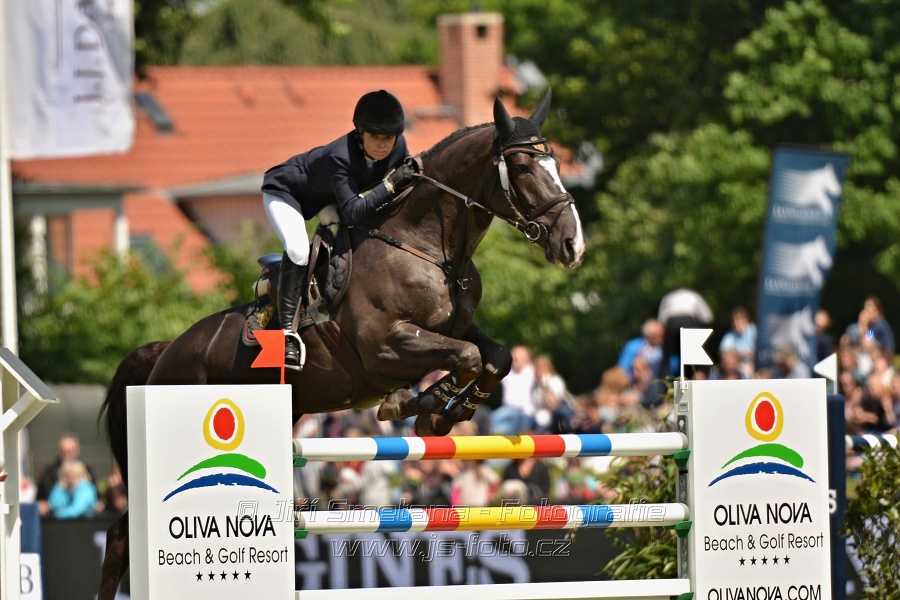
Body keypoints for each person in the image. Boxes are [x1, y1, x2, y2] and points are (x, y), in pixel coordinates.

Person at [262, 90, 417, 368]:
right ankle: (287, 333)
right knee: (298, 251)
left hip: (328, 200)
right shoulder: (339, 156)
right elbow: (355, 212)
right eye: (376, 138)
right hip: (287, 194)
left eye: (389, 139)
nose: (384, 146)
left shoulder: (398, 146)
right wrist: (390, 185)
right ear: (360, 132)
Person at [657, 288, 713, 378]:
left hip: (671, 325)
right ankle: (703, 376)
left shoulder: (667, 297)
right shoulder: (694, 295)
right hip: (688, 322)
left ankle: (664, 384)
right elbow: (707, 317)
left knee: (667, 357)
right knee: (698, 354)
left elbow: (661, 319)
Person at [36, 434, 96, 510]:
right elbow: (40, 497)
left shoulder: (87, 469)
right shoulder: (49, 472)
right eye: (64, 452)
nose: (67, 455)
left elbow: (94, 493)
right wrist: (41, 503)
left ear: (77, 452)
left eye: (70, 451)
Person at [492, 345, 537, 435]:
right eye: (514, 358)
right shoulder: (508, 373)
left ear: (527, 359)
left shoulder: (532, 371)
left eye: (518, 358)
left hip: (525, 411)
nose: (515, 360)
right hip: (508, 410)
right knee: (493, 418)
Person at [718, 307, 757, 377]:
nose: (737, 323)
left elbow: (761, 352)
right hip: (737, 369)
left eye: (740, 320)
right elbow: (724, 352)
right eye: (735, 321)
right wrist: (741, 355)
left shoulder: (754, 331)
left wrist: (738, 354)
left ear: (747, 320)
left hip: (755, 367)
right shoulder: (730, 336)